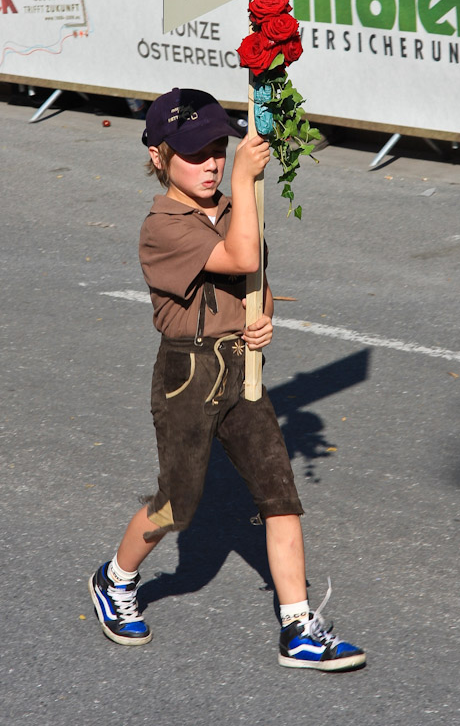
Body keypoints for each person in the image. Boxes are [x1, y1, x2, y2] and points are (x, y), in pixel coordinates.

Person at [88, 87, 367, 671]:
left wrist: (263, 315)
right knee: (176, 507)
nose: (213, 161)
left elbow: (256, 274)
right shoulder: (161, 226)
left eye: (220, 147)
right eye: (195, 152)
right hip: (186, 374)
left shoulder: (239, 209)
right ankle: (115, 580)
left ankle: (299, 628)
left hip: (242, 368)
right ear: (160, 158)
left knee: (279, 496)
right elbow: (238, 258)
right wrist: (245, 177)